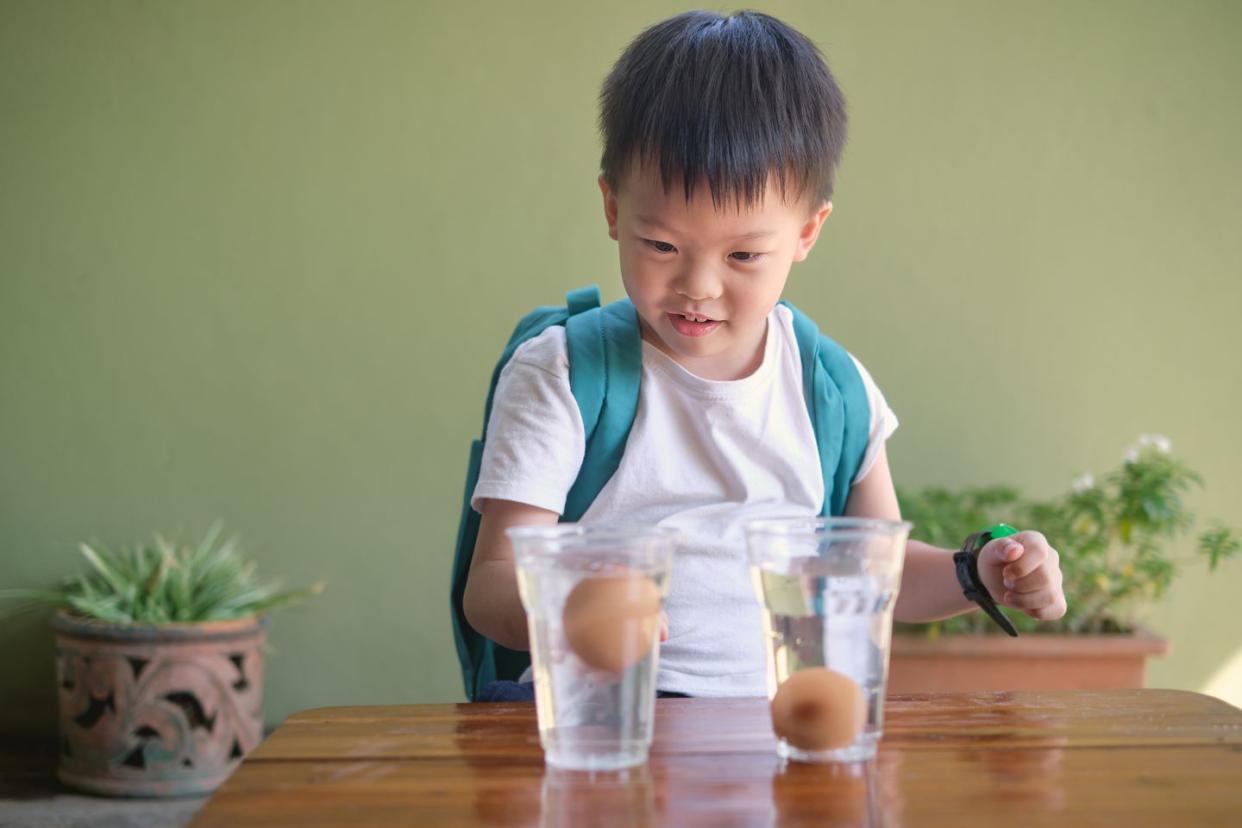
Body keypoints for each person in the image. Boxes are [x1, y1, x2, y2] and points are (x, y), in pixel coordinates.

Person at [462, 9, 1066, 700]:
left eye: (744, 254)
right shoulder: (565, 373)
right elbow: (490, 586)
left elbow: (879, 573)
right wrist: (573, 606)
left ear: (808, 230)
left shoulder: (832, 389)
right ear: (611, 208)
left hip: (780, 731)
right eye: (661, 245)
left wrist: (980, 572)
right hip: (616, 726)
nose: (698, 286)